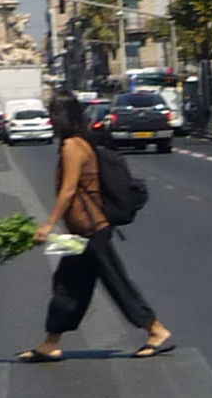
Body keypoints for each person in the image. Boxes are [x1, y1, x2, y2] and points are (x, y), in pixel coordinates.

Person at [19, 90, 172, 362]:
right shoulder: (79, 143)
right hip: (82, 233)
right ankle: (50, 342)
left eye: (52, 115)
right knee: (68, 285)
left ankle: (156, 330)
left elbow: (68, 191)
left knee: (116, 283)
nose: (50, 121)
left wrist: (48, 224)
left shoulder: (72, 147)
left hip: (92, 230)